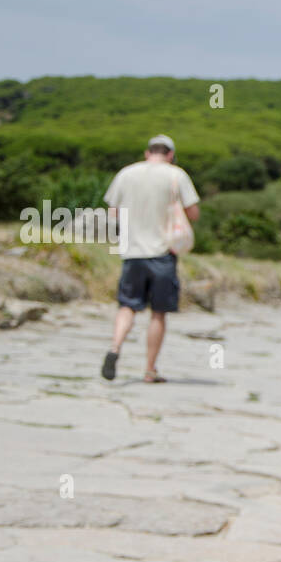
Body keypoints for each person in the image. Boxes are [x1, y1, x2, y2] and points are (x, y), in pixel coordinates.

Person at [101, 134, 199, 383]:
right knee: (158, 312)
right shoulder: (176, 175)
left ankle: (115, 348)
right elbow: (193, 213)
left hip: (132, 252)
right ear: (170, 155)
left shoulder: (125, 173)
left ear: (147, 152)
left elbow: (112, 213)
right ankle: (149, 369)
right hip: (162, 253)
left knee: (127, 306)